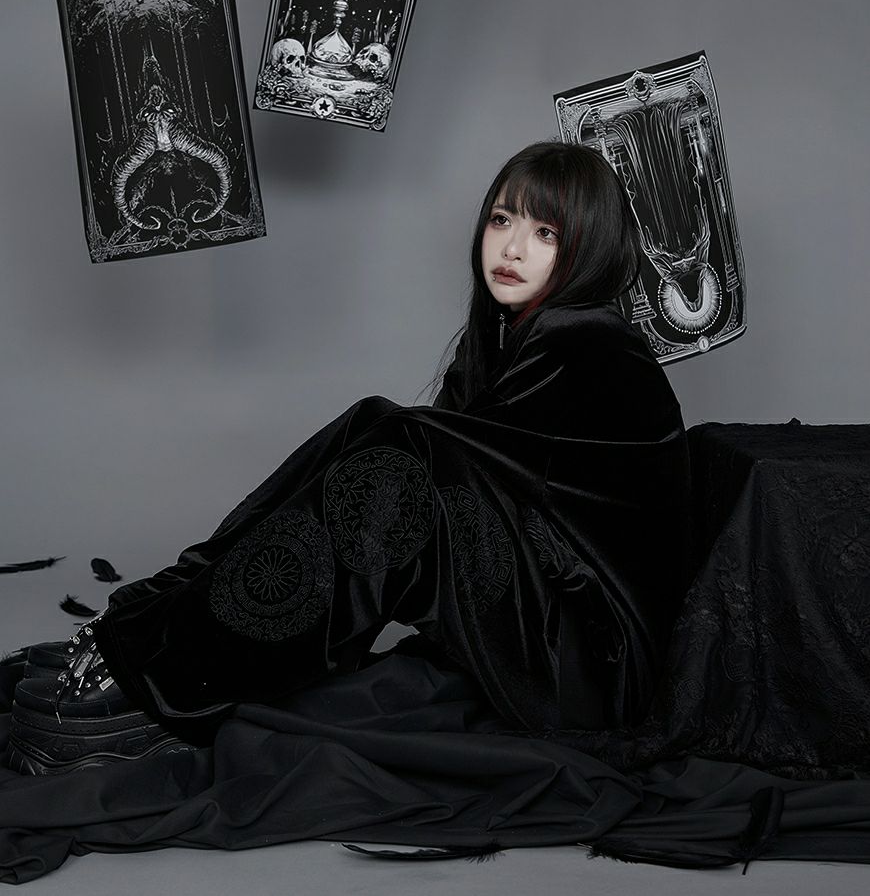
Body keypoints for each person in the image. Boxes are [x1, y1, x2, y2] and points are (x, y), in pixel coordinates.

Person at [8, 141, 691, 776]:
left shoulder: (590, 348)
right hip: (533, 610)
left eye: (546, 234)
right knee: (381, 426)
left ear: (589, 249)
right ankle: (163, 632)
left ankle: (171, 675)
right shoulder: (513, 336)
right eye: (502, 219)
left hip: (586, 665)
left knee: (399, 457)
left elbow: (452, 488)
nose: (511, 248)